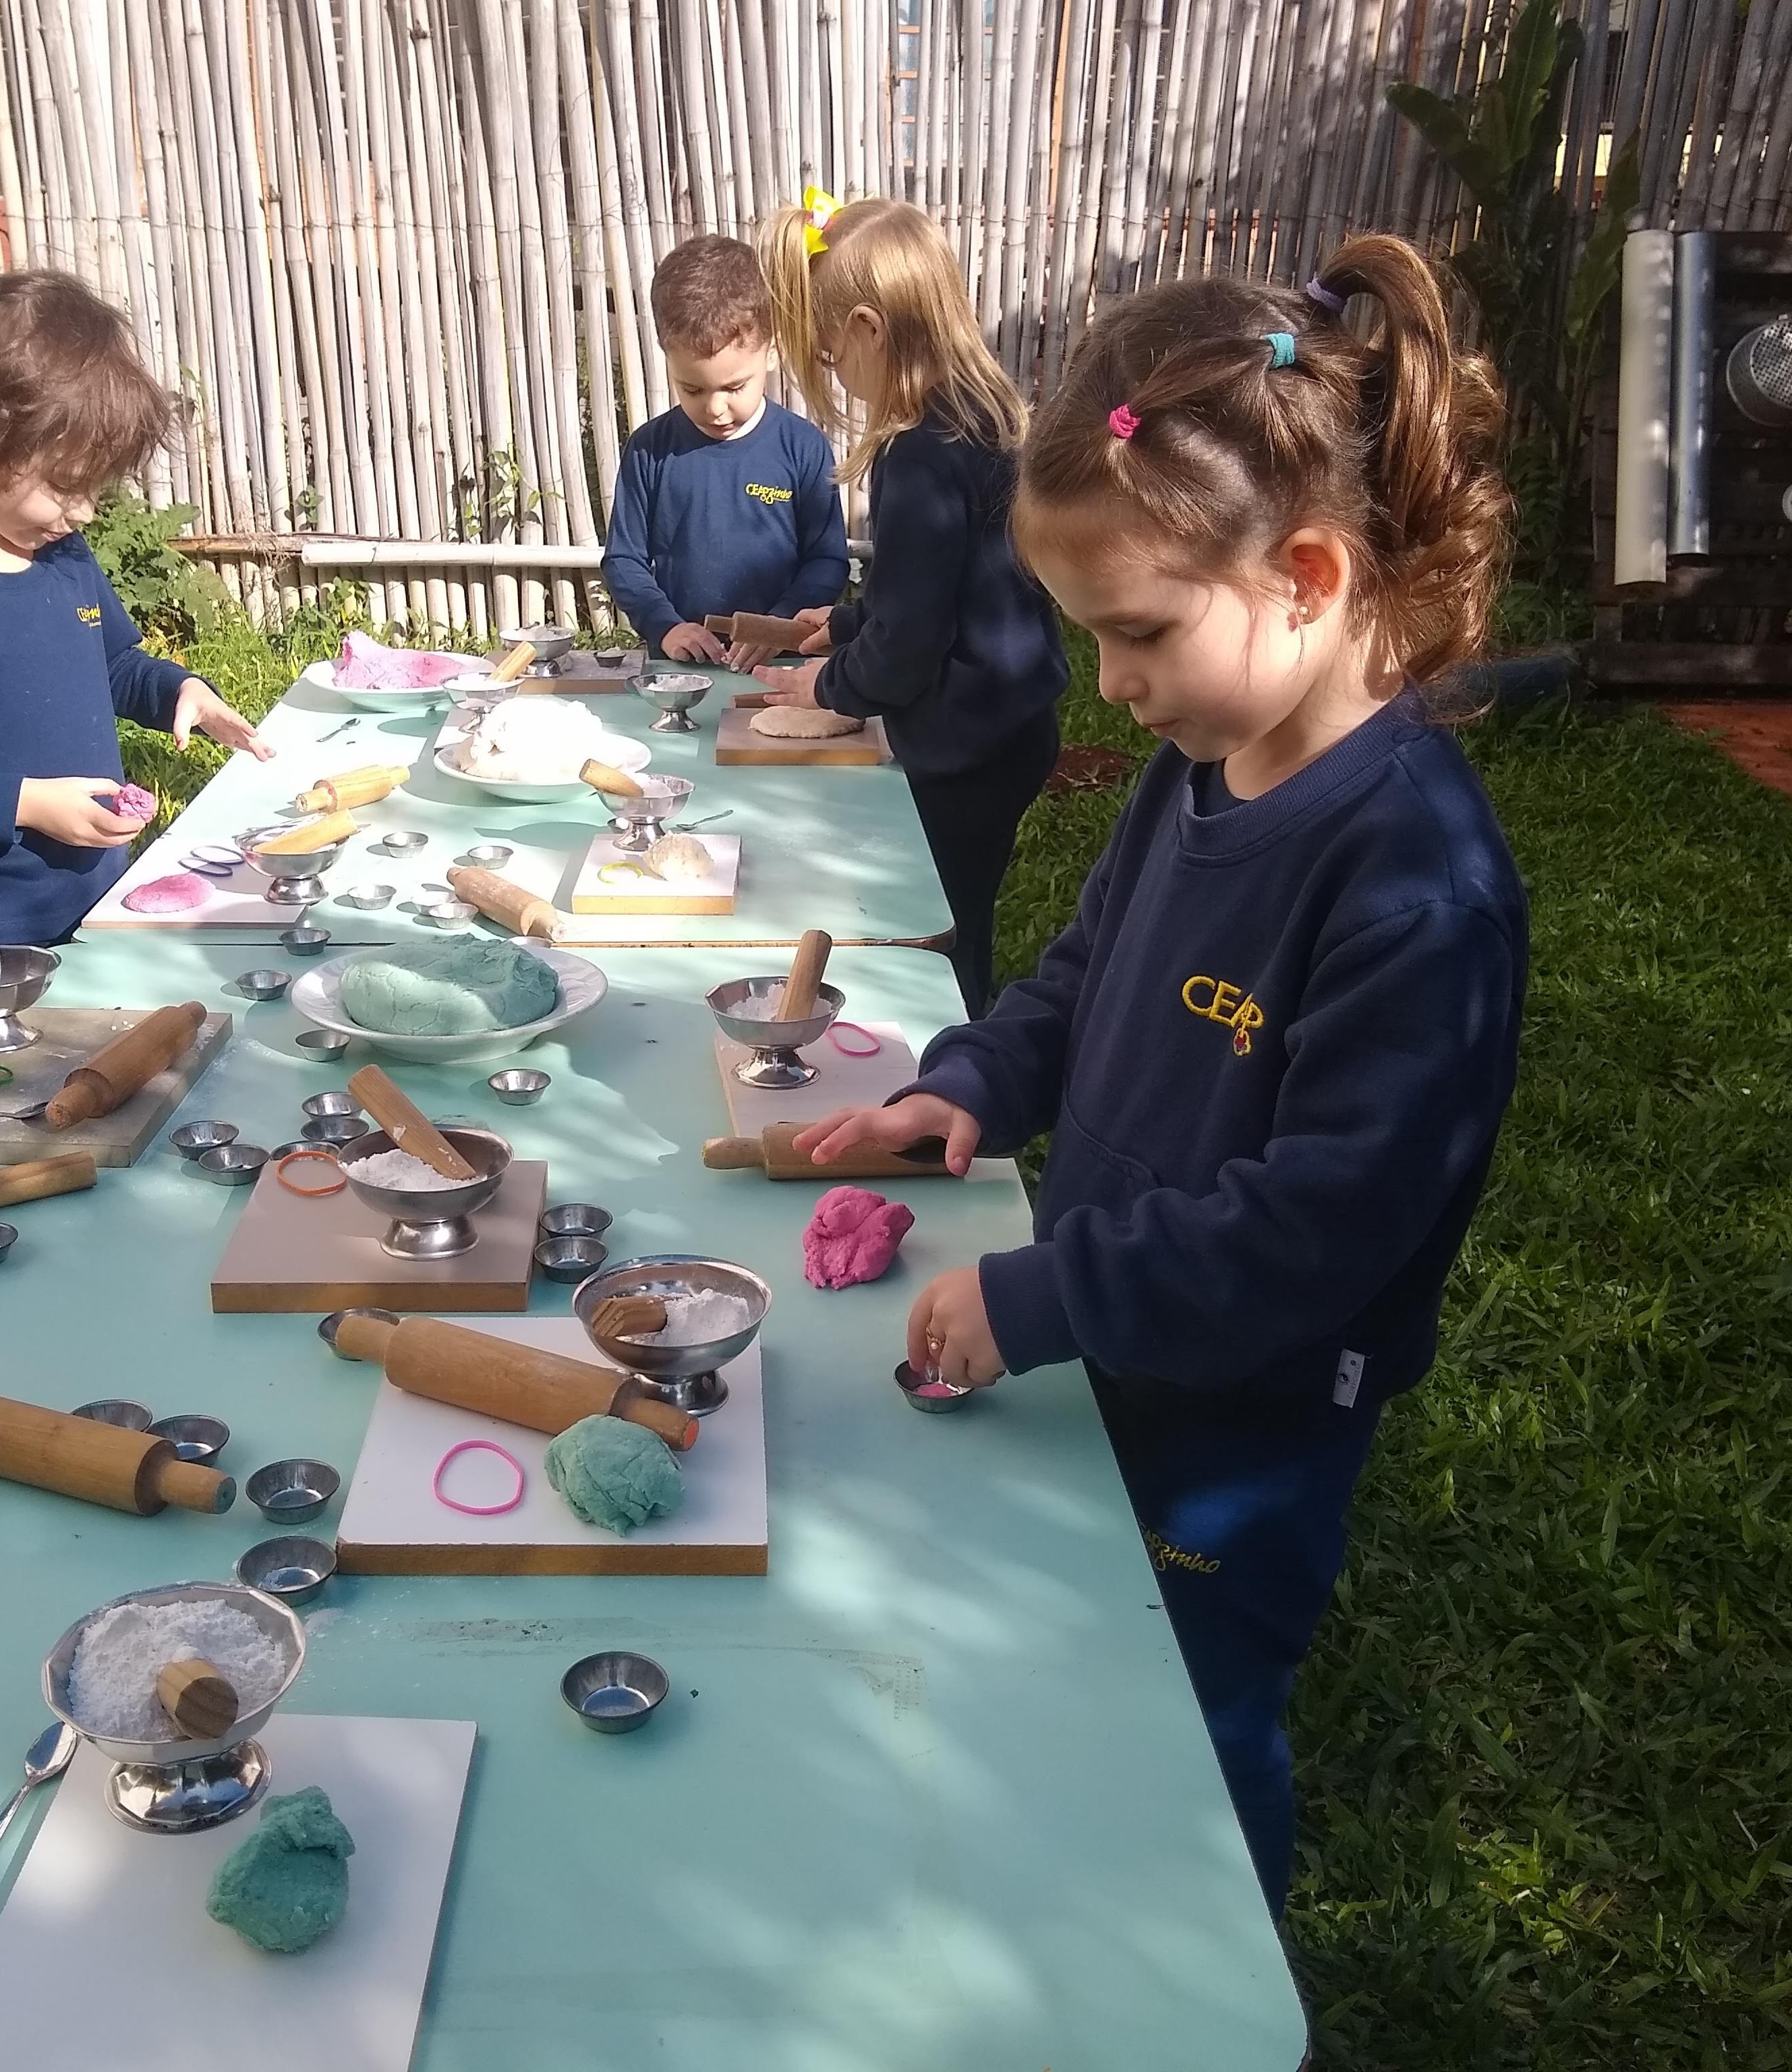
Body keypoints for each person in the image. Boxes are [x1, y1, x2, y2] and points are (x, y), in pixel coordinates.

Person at [794, 235, 1530, 1916]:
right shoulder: (1203, 760)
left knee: (1191, 1716)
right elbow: (1083, 972)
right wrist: (973, 1082)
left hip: (1246, 1418)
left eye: (1137, 633)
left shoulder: (1417, 886)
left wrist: (1048, 1292)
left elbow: (1319, 1228)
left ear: (1309, 575)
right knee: (1074, 1656)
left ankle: (1202, 1968)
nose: (1110, 685)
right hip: (1121, 1333)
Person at [0, 270, 269, 960]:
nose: (85, 511)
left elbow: (111, 663)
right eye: (66, 485)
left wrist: (178, 690)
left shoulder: (60, 553)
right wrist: (25, 804)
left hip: (101, 896)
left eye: (95, 489)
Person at [753, 191, 1070, 1013]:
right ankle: (964, 1028)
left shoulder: (918, 454)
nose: (836, 374)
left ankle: (946, 1051)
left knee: (931, 929)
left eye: (830, 355)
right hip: (1013, 724)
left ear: (868, 329)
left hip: (963, 746)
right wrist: (843, 625)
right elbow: (944, 588)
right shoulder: (981, 413)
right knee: (963, 911)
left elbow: (909, 642)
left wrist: (829, 688)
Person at [600, 235, 849, 672]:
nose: (715, 408)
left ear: (772, 353)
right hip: (679, 672)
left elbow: (827, 561)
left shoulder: (803, 447)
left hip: (779, 671)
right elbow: (624, 559)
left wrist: (778, 626)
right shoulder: (649, 450)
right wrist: (666, 627)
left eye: (734, 387)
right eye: (692, 389)